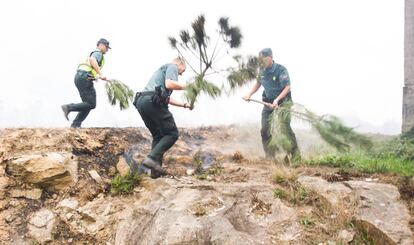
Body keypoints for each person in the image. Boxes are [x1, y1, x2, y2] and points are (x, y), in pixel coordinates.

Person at [129, 57, 192, 178]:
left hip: (142, 102)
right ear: (181, 64)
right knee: (172, 133)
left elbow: (166, 98)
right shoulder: (172, 66)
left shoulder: (161, 72)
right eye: (184, 70)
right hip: (152, 101)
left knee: (158, 136)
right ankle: (151, 159)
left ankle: (155, 172)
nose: (183, 73)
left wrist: (184, 105)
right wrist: (188, 86)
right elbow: (170, 84)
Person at [243, 48, 300, 162]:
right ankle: (270, 157)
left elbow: (287, 87)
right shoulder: (262, 71)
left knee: (285, 129)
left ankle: (295, 157)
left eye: (265, 59)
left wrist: (277, 100)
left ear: (271, 57)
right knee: (265, 130)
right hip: (268, 103)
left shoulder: (281, 70)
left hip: (284, 103)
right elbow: (258, 83)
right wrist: (249, 94)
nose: (262, 61)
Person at [61, 38, 110, 128]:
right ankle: (68, 107)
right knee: (91, 104)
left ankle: (76, 125)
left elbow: (90, 66)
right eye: (106, 47)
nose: (107, 50)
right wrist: (101, 74)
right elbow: (92, 60)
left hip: (80, 77)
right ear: (101, 45)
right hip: (84, 77)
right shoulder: (98, 53)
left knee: (87, 104)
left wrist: (96, 76)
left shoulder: (95, 53)